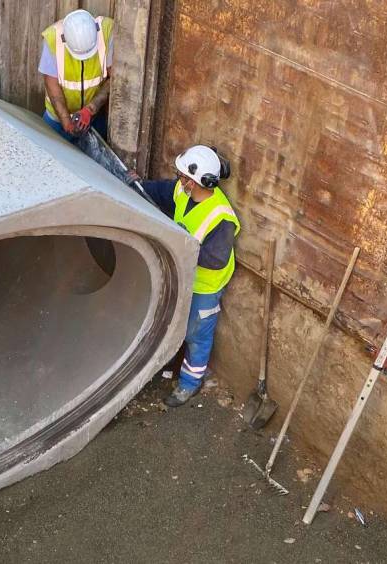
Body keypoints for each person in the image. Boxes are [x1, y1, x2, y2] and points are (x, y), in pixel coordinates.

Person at [129, 145, 241, 407]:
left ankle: (190, 383)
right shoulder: (184, 191)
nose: (179, 181)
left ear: (196, 181)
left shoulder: (220, 217)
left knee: (196, 332)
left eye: (183, 177)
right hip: (183, 274)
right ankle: (167, 361)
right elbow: (165, 192)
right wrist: (139, 185)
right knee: (171, 318)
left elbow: (216, 259)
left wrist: (177, 246)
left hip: (204, 286)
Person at [37, 9, 114, 143]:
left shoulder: (106, 31)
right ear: (65, 39)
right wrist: (66, 121)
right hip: (57, 119)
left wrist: (90, 110)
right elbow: (52, 86)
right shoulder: (52, 39)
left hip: (94, 118)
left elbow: (114, 80)